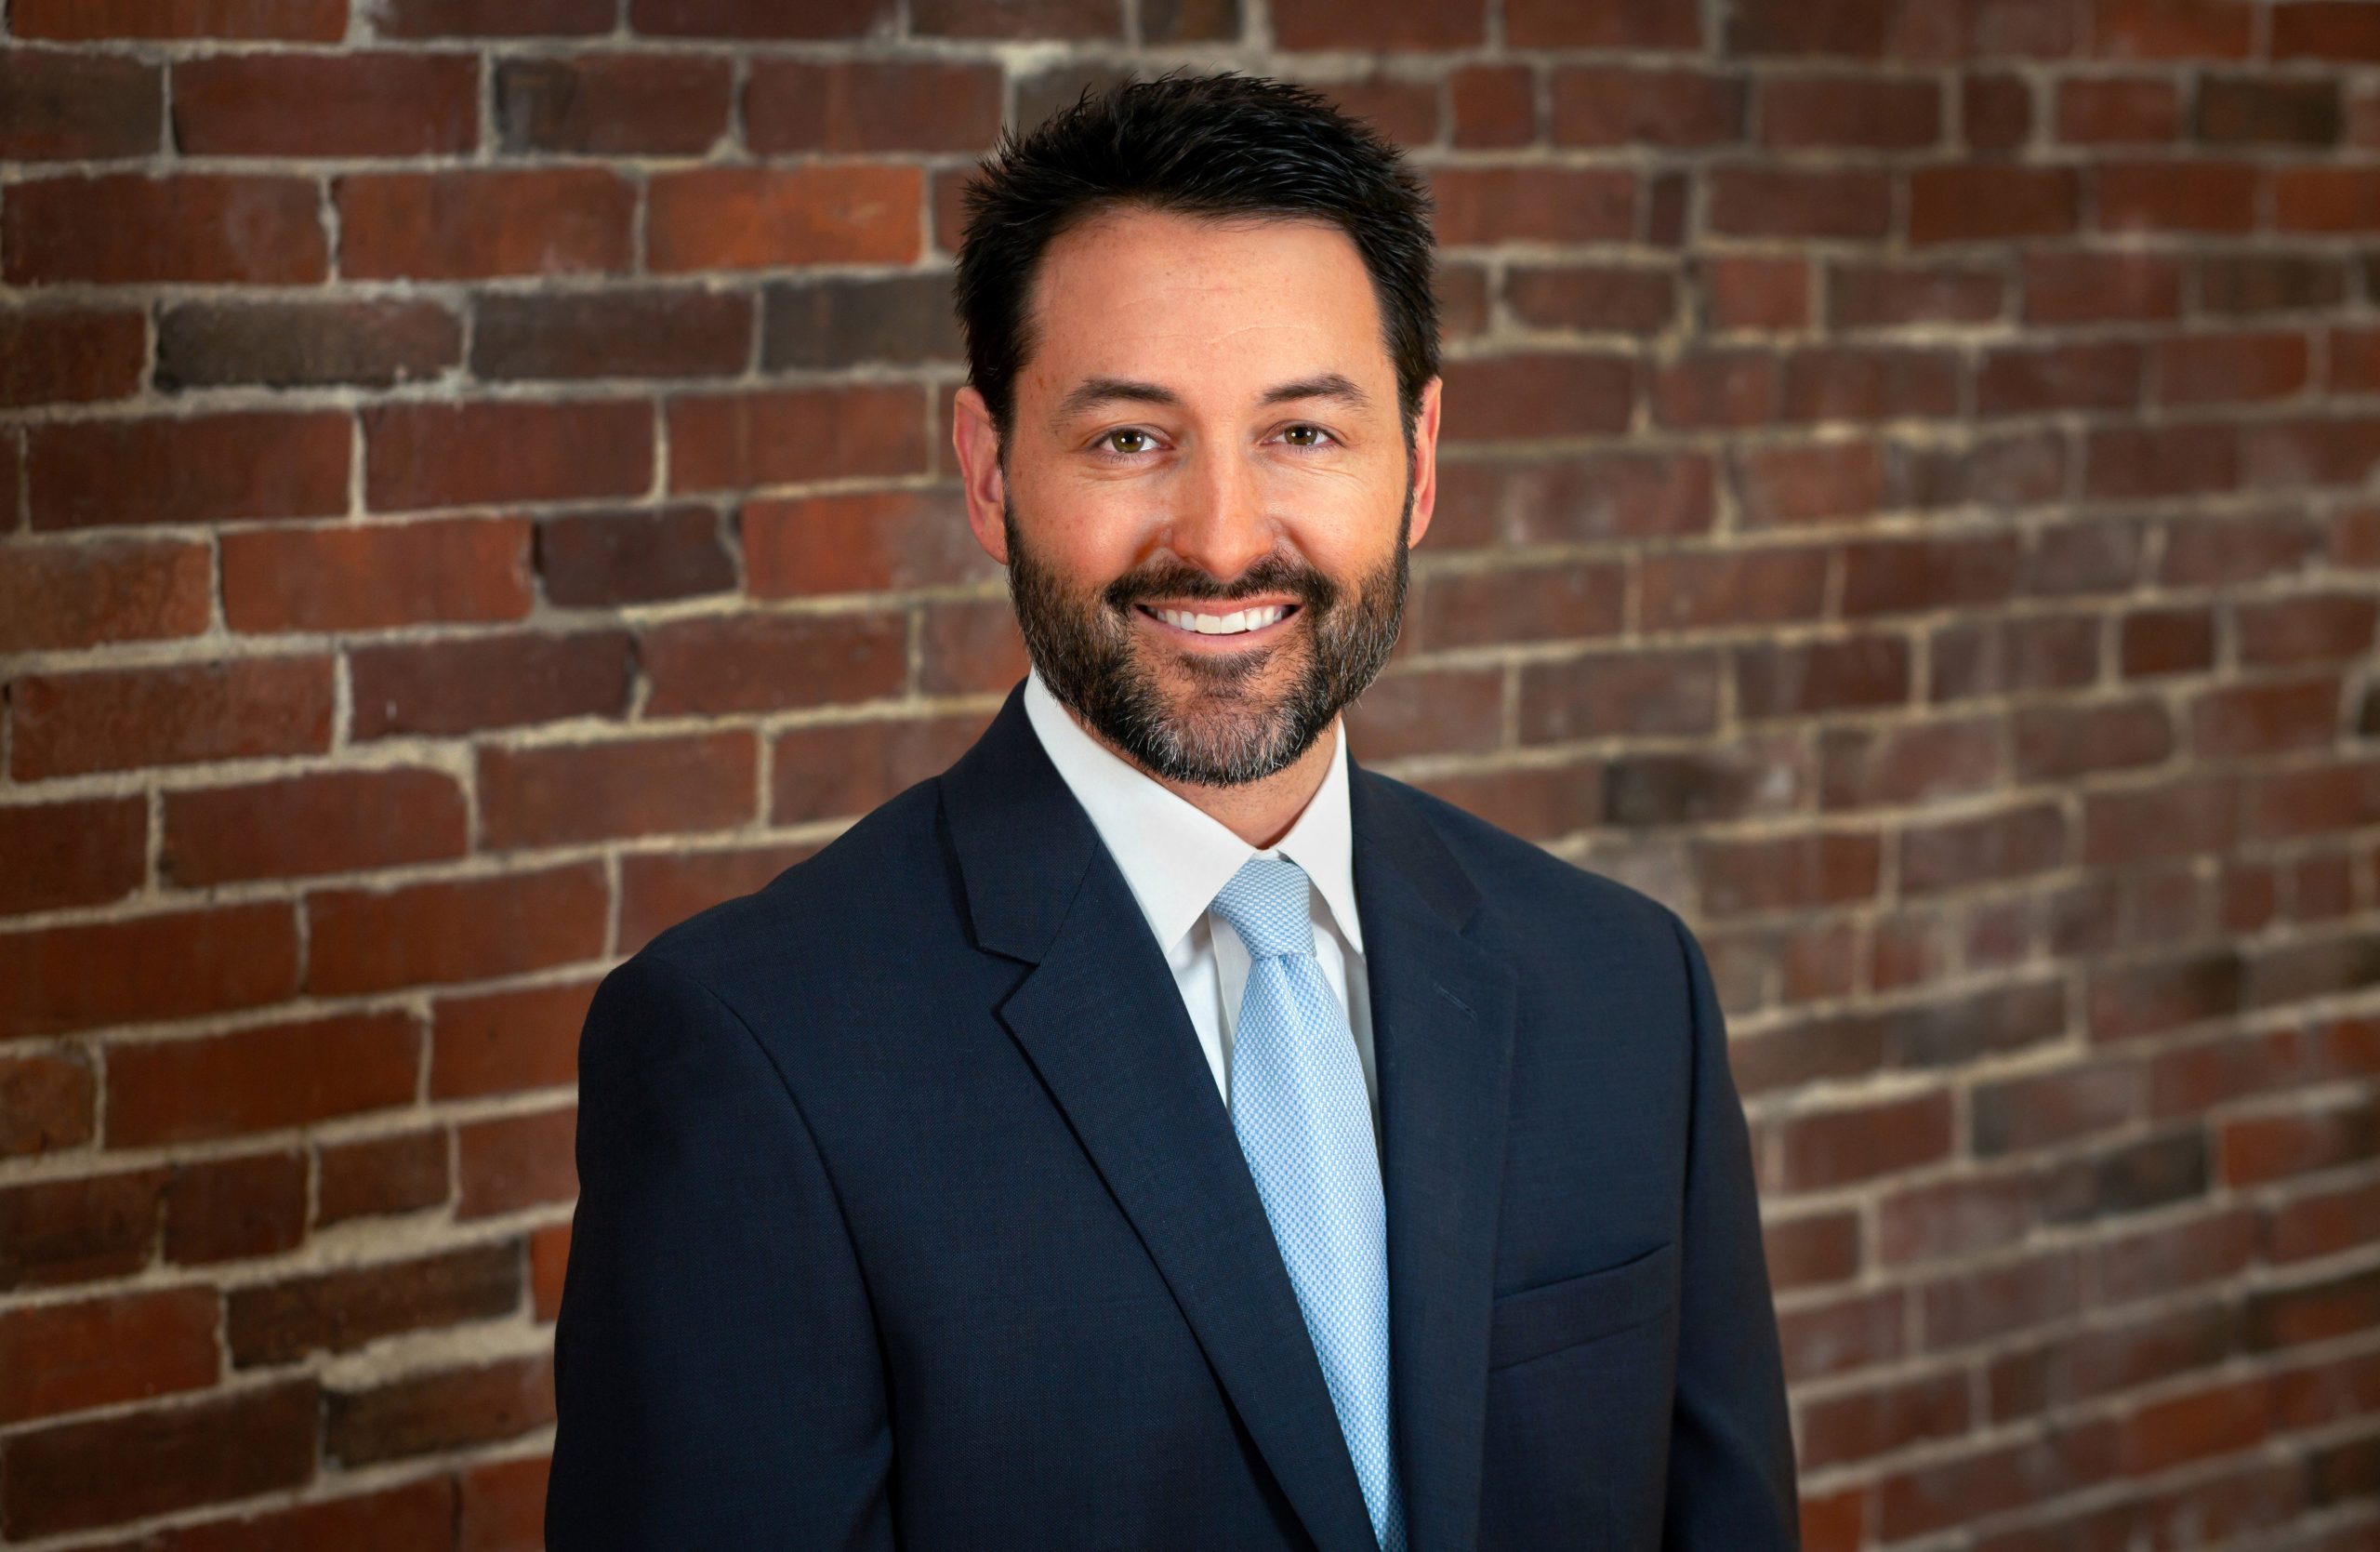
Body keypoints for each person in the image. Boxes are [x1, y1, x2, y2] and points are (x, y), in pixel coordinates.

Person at [545, 72, 1799, 1551]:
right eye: (1131, 438)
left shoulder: (1625, 986)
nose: (1219, 539)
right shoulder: (752, 1058)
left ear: (1420, 466)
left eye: (1305, 434)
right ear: (990, 471)